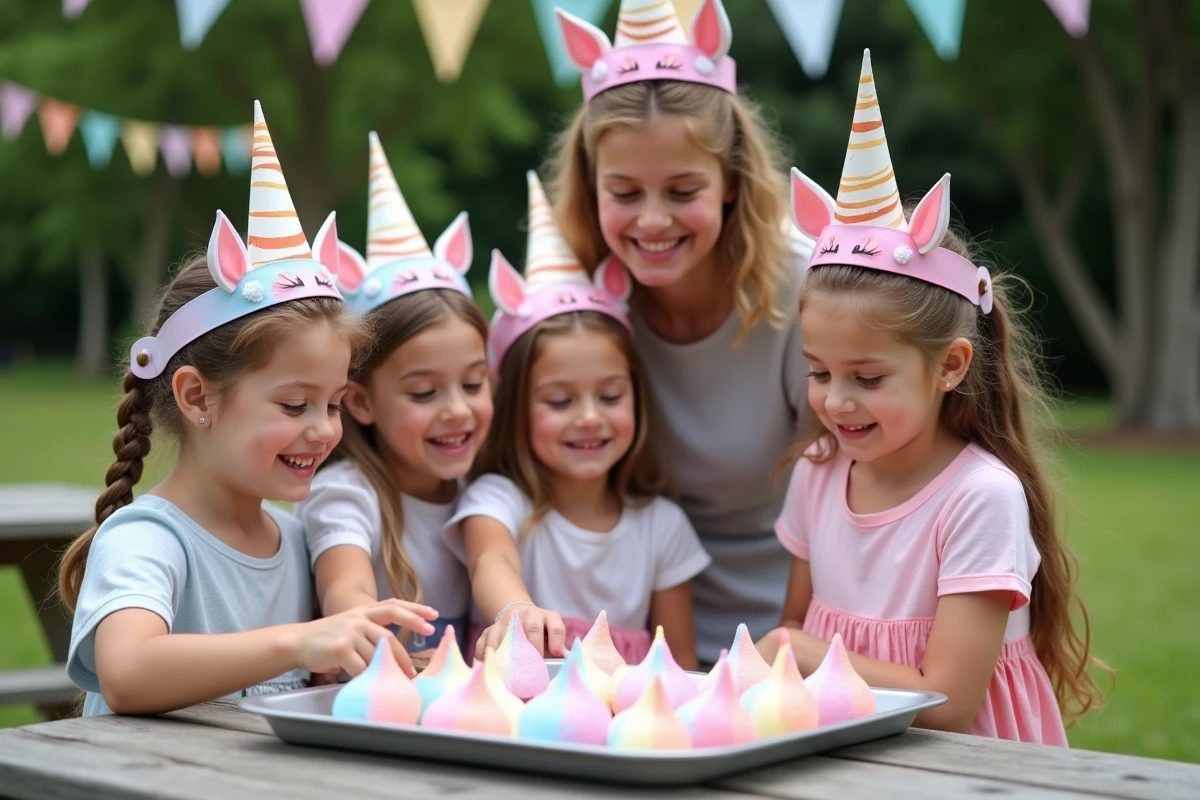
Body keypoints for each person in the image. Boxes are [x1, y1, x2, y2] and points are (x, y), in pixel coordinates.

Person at [760, 52, 1105, 744]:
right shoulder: (819, 475)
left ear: (949, 366)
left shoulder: (980, 498)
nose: (836, 401)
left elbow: (948, 702)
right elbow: (796, 626)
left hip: (966, 767)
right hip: (844, 750)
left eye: (867, 376)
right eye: (819, 372)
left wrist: (808, 655)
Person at [58, 104, 436, 716]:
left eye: (335, 404)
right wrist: (299, 641)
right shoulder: (148, 539)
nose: (323, 430)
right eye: (294, 404)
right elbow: (126, 672)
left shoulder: (295, 540)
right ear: (197, 396)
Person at [548, 0, 814, 662]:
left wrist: (791, 654)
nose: (654, 221)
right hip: (626, 642)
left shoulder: (804, 295)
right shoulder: (575, 302)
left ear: (729, 182)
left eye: (682, 189)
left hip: (795, 638)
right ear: (592, 187)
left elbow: (851, 491)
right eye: (626, 193)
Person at [446, 171, 710, 667]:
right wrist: (515, 609)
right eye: (560, 402)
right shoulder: (499, 501)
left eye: (610, 396)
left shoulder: (663, 528)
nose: (589, 418)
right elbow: (490, 558)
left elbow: (681, 668)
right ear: (516, 409)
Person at [296, 133, 489, 657]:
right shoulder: (347, 495)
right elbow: (346, 592)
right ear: (360, 401)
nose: (457, 409)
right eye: (425, 391)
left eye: (474, 383)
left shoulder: (480, 491)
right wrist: (375, 636)